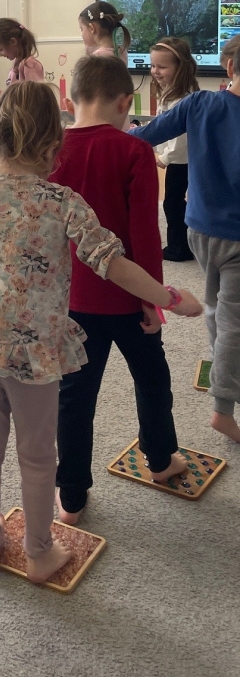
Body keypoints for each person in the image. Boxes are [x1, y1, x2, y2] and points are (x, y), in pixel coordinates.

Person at [0, 82, 200, 583]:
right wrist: (170, 298)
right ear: (53, 142)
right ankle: (39, 552)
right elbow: (113, 264)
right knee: (37, 454)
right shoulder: (62, 202)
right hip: (34, 349)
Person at [49, 56, 202, 524]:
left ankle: (71, 496)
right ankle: (160, 460)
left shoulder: (51, 151)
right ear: (124, 103)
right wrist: (153, 300)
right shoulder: (134, 150)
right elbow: (144, 236)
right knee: (152, 380)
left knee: (74, 396)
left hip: (72, 300)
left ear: (70, 99)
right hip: (129, 300)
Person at [131, 33, 240, 442]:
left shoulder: (199, 103)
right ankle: (223, 408)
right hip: (236, 236)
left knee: (216, 306)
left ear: (229, 67)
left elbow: (145, 136)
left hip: (199, 229)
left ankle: (221, 363)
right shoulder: (198, 102)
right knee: (234, 321)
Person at [149, 36, 198, 261]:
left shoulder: (181, 99)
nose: (155, 71)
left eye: (162, 67)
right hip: (179, 159)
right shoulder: (170, 93)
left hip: (181, 160)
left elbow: (181, 138)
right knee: (176, 201)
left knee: (172, 203)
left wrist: (165, 158)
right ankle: (184, 243)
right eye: (153, 65)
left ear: (180, 68)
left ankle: (178, 248)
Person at [0, 18, 45, 103]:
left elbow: (35, 96)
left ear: (13, 42)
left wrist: (7, 96)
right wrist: (6, 94)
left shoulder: (30, 65)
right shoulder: (18, 63)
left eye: (0, 49)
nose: (0, 54)